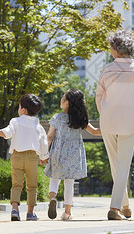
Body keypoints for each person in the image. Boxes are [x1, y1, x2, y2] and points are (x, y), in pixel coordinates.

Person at [96, 30, 134, 220]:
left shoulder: (106, 70)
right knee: (122, 166)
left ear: (116, 49)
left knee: (116, 165)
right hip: (129, 121)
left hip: (108, 121)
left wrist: (104, 114)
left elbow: (99, 97)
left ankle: (121, 206)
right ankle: (118, 207)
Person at [0, 94, 48, 221]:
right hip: (32, 157)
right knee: (32, 186)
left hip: (17, 157)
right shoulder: (38, 126)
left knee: (16, 185)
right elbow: (44, 143)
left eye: (19, 107)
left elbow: (6, 133)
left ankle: (15, 210)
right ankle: (30, 213)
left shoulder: (15, 122)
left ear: (24, 109)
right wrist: (43, 157)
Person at [44, 89, 101, 221]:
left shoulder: (57, 118)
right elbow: (94, 132)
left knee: (54, 179)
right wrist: (111, 129)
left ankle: (52, 198)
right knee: (69, 183)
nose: (61, 99)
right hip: (74, 155)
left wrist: (45, 154)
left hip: (58, 153)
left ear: (67, 103)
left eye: (63, 98)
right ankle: (67, 213)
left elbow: (49, 137)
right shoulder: (79, 120)